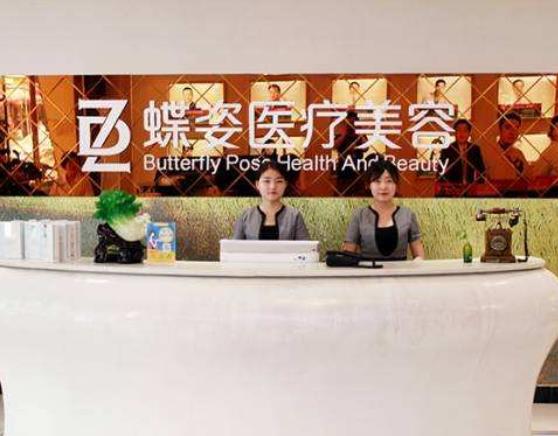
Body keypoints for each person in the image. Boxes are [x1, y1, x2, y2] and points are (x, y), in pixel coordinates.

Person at [342, 158, 425, 260]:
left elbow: (419, 256)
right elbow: (348, 254)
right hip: (367, 269)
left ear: (396, 185)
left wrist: (418, 262)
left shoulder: (407, 215)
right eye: (377, 181)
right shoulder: (359, 215)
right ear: (368, 185)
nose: (383, 187)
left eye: (389, 181)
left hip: (401, 270)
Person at [232, 159, 309, 240]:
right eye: (267, 181)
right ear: (257, 185)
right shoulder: (246, 216)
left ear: (285, 184)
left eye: (279, 181)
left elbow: (305, 247)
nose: (272, 186)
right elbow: (235, 246)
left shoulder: (294, 216)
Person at [485, 112, 529, 181]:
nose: (512, 132)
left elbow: (528, 178)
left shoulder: (519, 154)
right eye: (508, 127)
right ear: (500, 130)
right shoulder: (488, 154)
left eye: (516, 128)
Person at [439, 119, 485, 184]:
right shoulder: (447, 150)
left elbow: (482, 171)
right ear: (455, 133)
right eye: (459, 130)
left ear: (469, 133)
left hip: (471, 187)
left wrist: (478, 185)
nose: (462, 133)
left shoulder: (475, 149)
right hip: (452, 188)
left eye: (465, 130)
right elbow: (440, 172)